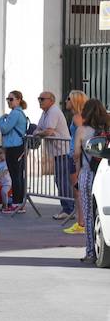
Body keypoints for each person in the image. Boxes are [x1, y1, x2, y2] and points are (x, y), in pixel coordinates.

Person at [74, 99, 110, 263]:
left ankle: (90, 252)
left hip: (87, 174)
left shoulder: (82, 130)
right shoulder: (106, 129)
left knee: (89, 214)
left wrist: (77, 173)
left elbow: (76, 154)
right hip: (104, 171)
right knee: (100, 212)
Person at [34, 90, 74, 220]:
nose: (40, 101)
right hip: (57, 152)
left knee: (62, 181)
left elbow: (48, 131)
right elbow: (39, 128)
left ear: (51, 100)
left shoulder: (53, 111)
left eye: (42, 99)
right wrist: (39, 132)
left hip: (63, 151)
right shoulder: (45, 113)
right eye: (39, 99)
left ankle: (68, 209)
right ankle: (67, 208)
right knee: (60, 180)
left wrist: (39, 133)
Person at [0, 90, 29, 214]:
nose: (8, 102)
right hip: (15, 147)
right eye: (7, 99)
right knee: (17, 175)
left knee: (16, 175)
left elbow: (5, 129)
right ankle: (18, 202)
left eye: (11, 99)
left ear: (18, 100)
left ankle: (16, 203)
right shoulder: (17, 113)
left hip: (15, 147)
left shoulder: (16, 113)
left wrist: (1, 119)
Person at [64, 90, 88, 233]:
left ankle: (81, 223)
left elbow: (80, 135)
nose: (66, 101)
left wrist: (76, 154)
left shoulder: (77, 118)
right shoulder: (82, 117)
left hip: (75, 156)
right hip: (77, 155)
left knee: (78, 191)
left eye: (68, 98)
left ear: (74, 101)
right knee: (79, 190)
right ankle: (82, 222)